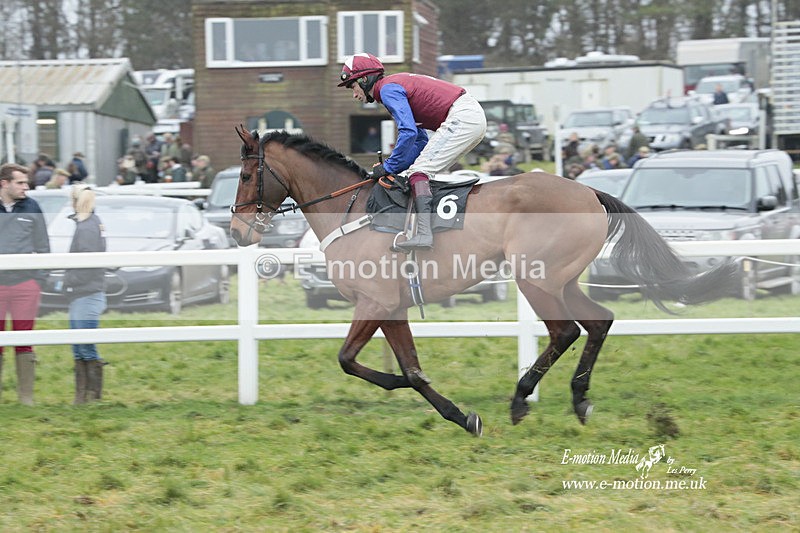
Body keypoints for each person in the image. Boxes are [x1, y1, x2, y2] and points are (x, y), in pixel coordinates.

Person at [338, 52, 487, 251]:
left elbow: (407, 133)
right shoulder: (391, 87)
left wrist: (389, 166)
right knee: (419, 171)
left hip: (463, 117)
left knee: (419, 172)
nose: (354, 95)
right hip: (469, 116)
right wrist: (393, 169)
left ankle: (425, 234)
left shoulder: (387, 90)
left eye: (353, 86)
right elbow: (419, 140)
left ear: (365, 79)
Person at [0, 163, 50, 405]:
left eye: (26, 182)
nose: (25, 187)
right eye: (20, 182)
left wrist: (37, 280)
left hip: (25, 285)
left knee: (24, 339)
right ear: (4, 183)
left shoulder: (33, 207)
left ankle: (26, 399)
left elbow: (43, 247)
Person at [63, 185, 107, 404]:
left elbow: (87, 264)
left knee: (84, 344)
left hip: (86, 292)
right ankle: (83, 394)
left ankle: (89, 395)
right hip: (84, 292)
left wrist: (68, 281)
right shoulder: (90, 223)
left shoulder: (87, 227)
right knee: (78, 344)